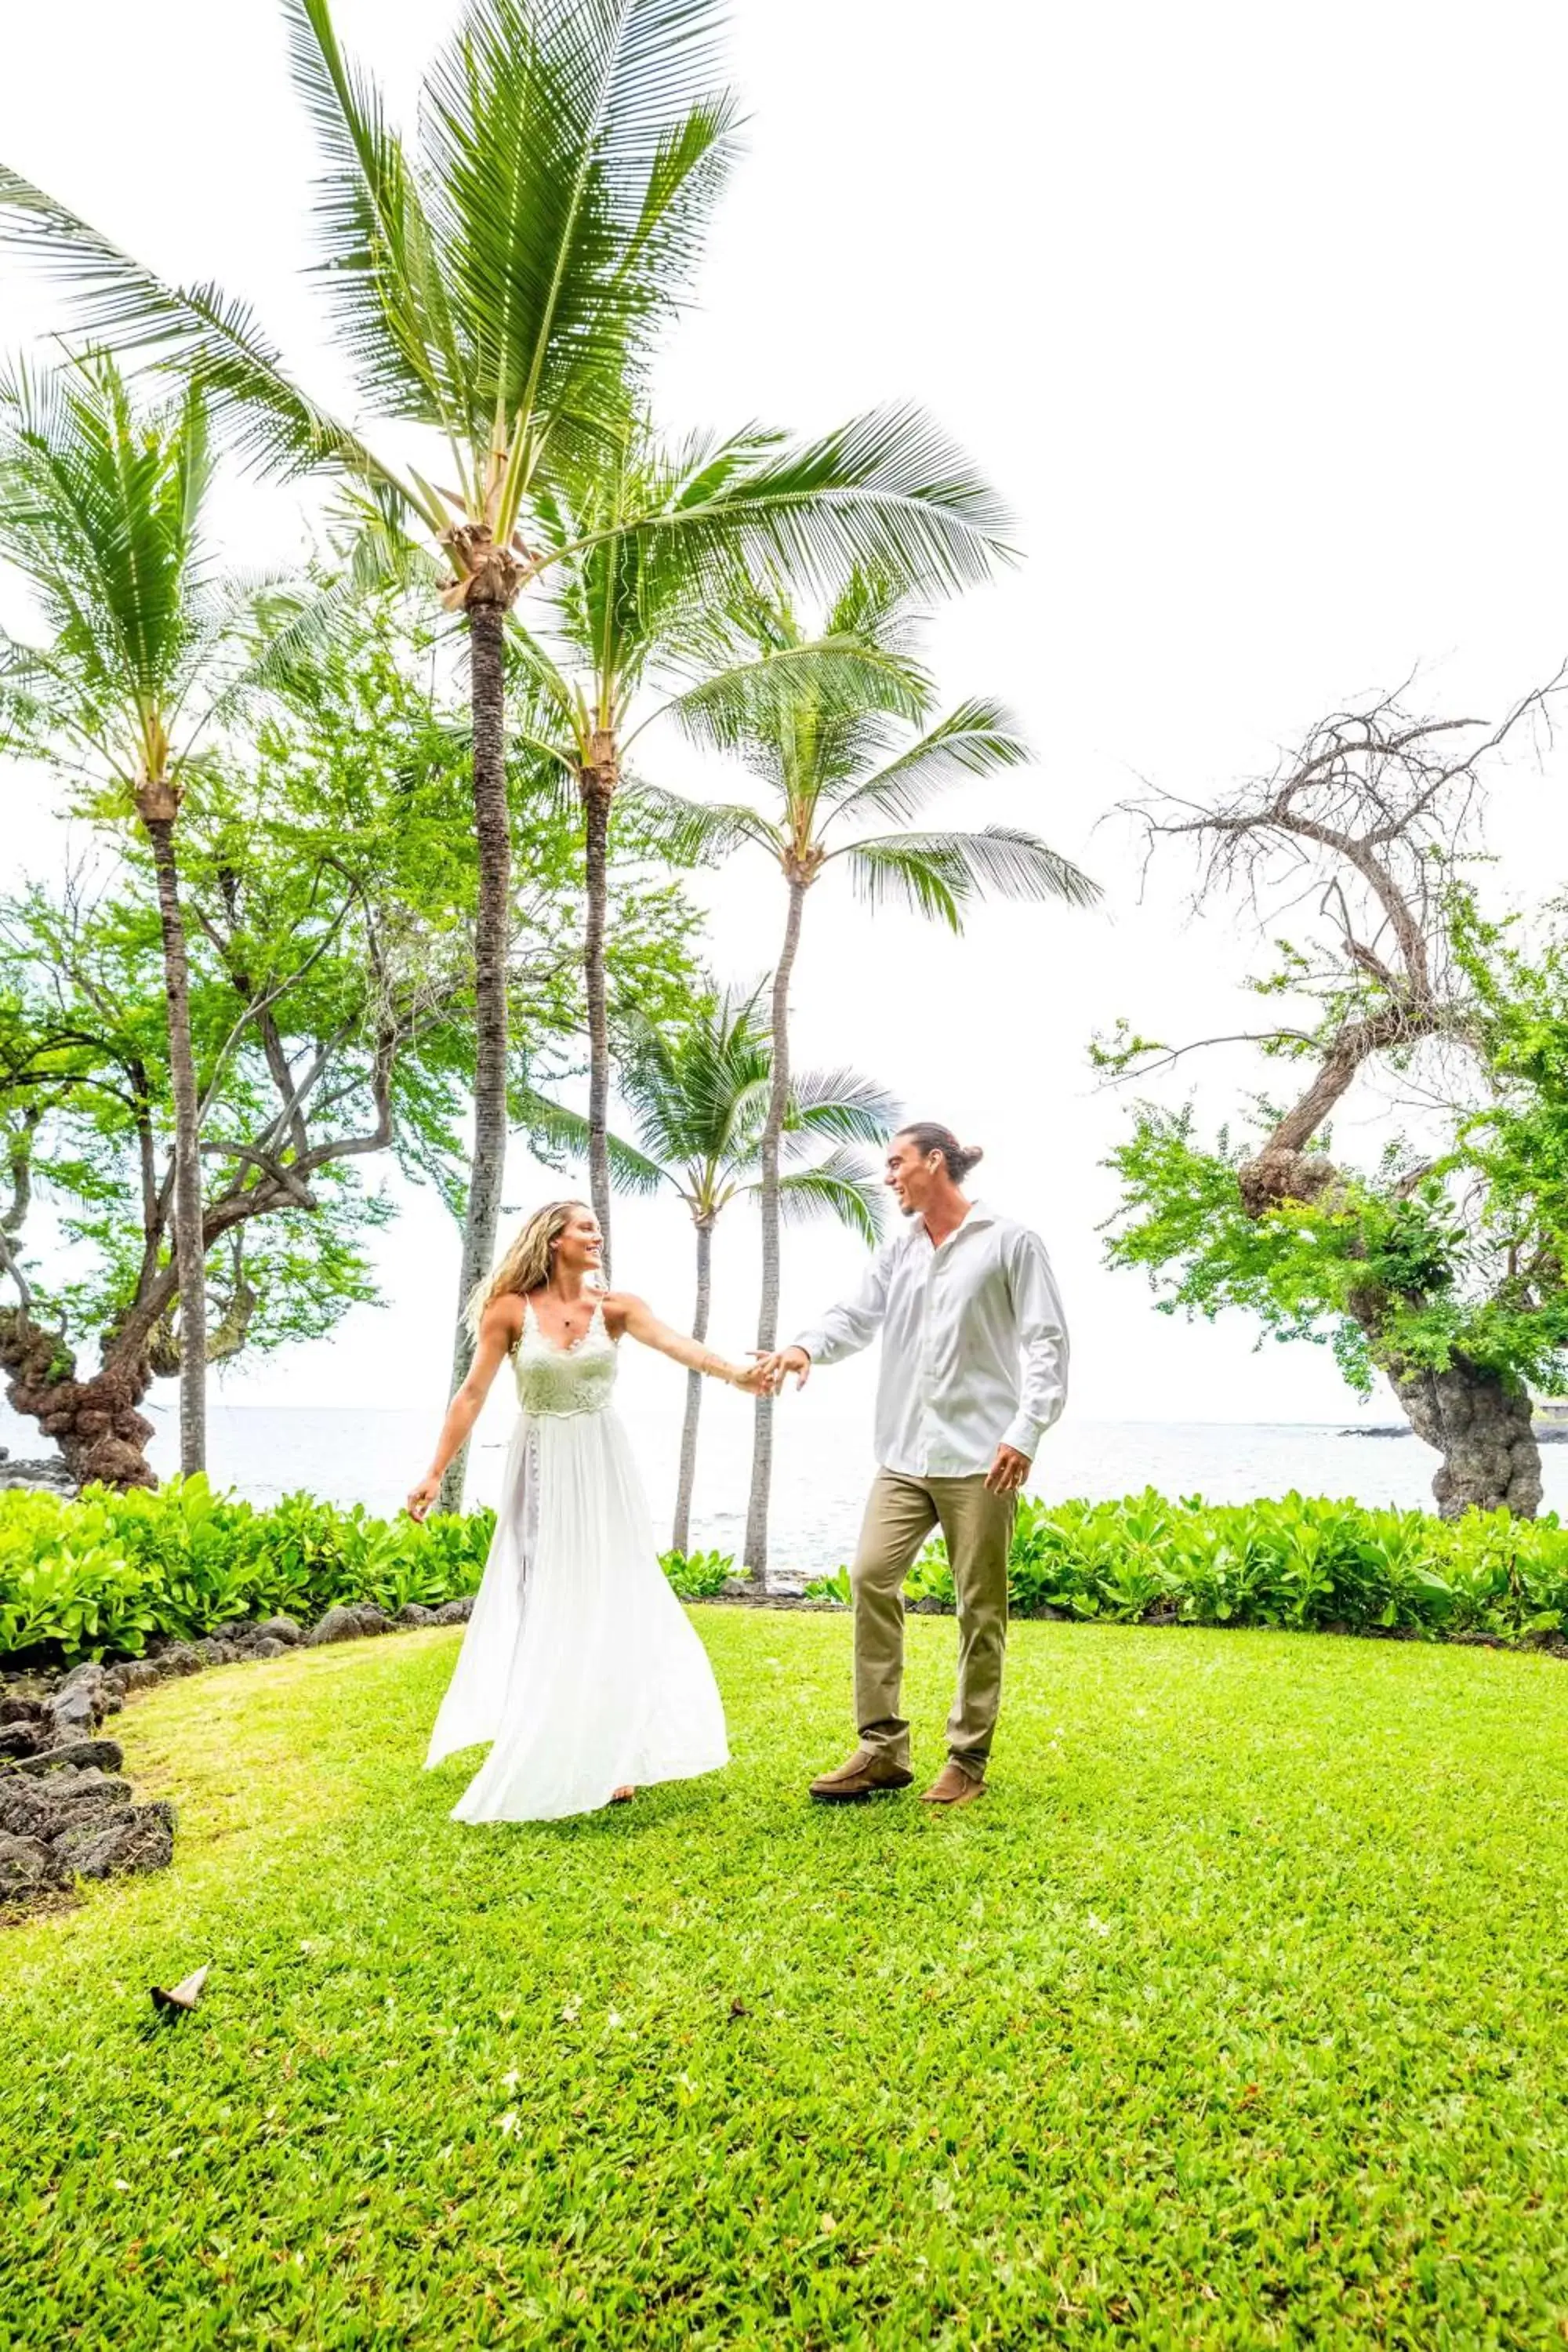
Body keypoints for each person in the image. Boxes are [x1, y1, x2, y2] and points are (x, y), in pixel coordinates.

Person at [408, 1200, 768, 1822]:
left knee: (611, 1593)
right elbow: (472, 1392)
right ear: (553, 1239)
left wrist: (736, 1373)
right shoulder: (509, 1309)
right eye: (584, 1227)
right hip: (542, 1460)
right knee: (547, 1595)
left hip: (602, 1462)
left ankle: (617, 1751)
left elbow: (680, 1346)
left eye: (596, 1228)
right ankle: (547, 1732)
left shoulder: (618, 1308)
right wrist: (435, 1471)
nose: (596, 1235)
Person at [758, 1123, 1068, 1809]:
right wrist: (806, 1348)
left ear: (935, 1162)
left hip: (981, 1459)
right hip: (902, 1456)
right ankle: (881, 1749)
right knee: (871, 1576)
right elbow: (855, 1316)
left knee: (979, 1608)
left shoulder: (1011, 1243)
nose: (889, 1176)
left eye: (896, 1163)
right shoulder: (898, 1252)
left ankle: (967, 1760)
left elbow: (1047, 1344)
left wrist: (1025, 1432)